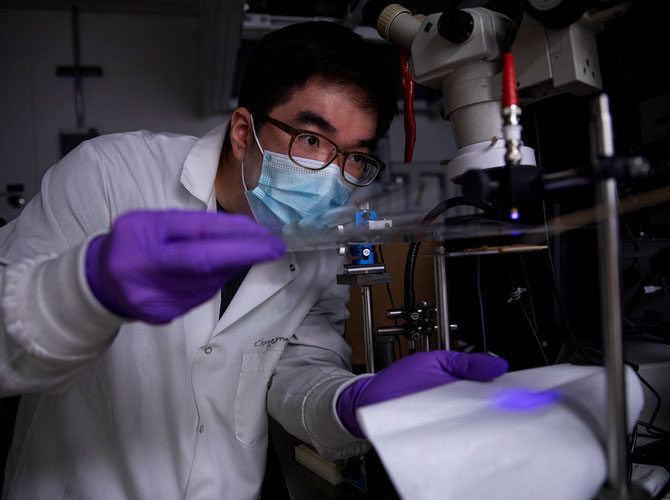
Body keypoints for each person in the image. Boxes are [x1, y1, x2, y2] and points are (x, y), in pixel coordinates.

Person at [0, 21, 507, 499]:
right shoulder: (109, 175)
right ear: (244, 132)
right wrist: (87, 288)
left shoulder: (320, 238)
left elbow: (298, 369)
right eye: (311, 139)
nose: (334, 177)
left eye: (355, 156)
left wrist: (350, 404)